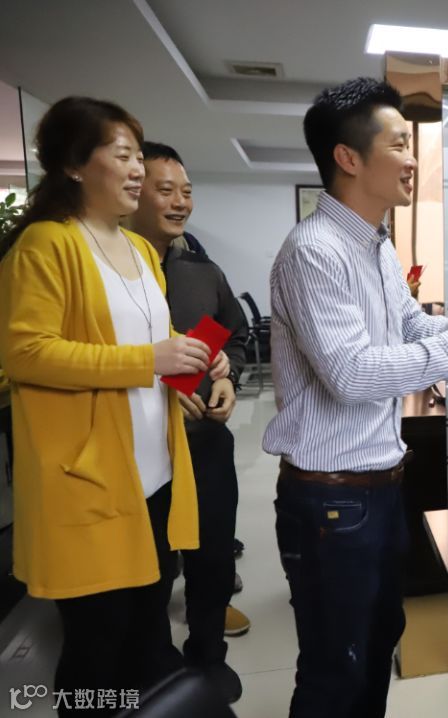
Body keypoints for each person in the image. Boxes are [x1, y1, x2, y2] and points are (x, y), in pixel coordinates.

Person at [263, 77, 448, 718]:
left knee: (378, 641)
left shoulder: (374, 244)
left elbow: (405, 326)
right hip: (331, 500)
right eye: (400, 144)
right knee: (335, 670)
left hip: (378, 488)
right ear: (348, 158)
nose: (412, 159)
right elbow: (351, 376)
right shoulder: (314, 252)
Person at [0, 97, 226, 716]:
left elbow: (149, 345)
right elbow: (27, 354)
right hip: (89, 483)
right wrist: (149, 360)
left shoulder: (141, 250)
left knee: (147, 632)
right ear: (75, 165)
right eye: (123, 155)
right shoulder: (46, 245)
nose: (136, 170)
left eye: (137, 156)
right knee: (96, 647)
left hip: (152, 476)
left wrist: (194, 361)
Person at [128, 140, 249, 703]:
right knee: (151, 569)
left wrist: (228, 377)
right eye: (165, 190)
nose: (180, 202)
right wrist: (159, 394)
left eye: (186, 191)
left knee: (213, 554)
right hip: (142, 452)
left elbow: (232, 335)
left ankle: (207, 655)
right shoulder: (115, 277)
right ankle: (157, 673)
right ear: (132, 193)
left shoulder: (202, 270)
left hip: (205, 443)